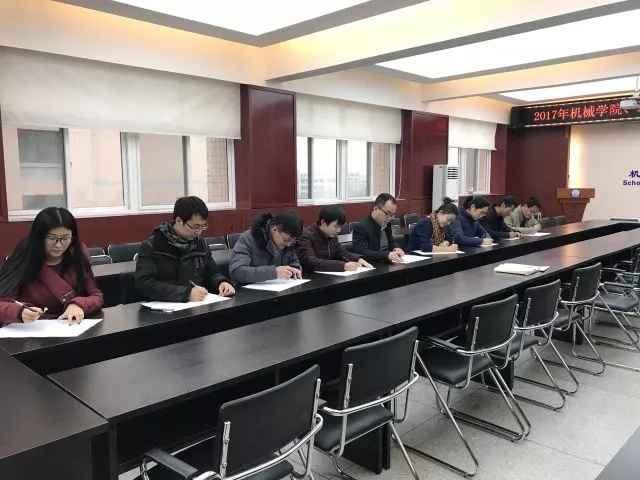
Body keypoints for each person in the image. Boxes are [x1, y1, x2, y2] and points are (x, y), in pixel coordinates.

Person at [0, 207, 103, 324]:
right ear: (39, 237)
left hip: (69, 325)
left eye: (65, 238)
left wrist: (78, 305)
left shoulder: (77, 253)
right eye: (51, 238)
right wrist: (19, 312)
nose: (58, 245)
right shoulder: (24, 256)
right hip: (33, 328)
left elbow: (96, 296)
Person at [135, 196, 235, 302]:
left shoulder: (200, 244)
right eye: (195, 227)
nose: (199, 232)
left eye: (203, 226)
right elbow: (144, 284)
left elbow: (212, 273)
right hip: (162, 307)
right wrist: (186, 293)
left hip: (196, 305)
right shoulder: (153, 245)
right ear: (178, 221)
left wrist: (221, 283)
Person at [229, 211, 304, 284]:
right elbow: (237, 271)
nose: (289, 245)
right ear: (274, 229)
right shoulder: (248, 239)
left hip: (278, 288)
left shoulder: (289, 243)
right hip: (248, 289)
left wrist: (294, 270)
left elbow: (294, 262)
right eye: (286, 240)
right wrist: (273, 272)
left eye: (293, 241)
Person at [296, 205, 372, 272]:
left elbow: (341, 252)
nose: (339, 230)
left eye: (340, 226)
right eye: (336, 226)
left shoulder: (331, 235)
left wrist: (357, 259)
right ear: (323, 222)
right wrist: (343, 266)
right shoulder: (306, 236)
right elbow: (311, 261)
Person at [352, 193, 405, 263]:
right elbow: (363, 253)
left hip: (388, 263)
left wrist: (396, 248)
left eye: (392, 215)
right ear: (376, 209)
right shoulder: (360, 227)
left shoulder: (387, 224)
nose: (389, 218)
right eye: (388, 214)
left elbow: (391, 242)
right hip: (373, 265)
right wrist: (387, 255)